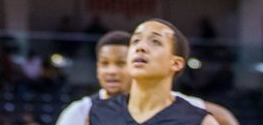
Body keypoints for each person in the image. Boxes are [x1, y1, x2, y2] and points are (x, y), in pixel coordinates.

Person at [57, 31, 238, 125]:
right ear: (97, 69)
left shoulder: (174, 104)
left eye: (121, 64)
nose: (111, 71)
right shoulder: (79, 112)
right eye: (104, 64)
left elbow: (224, 117)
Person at [88, 20, 219, 125]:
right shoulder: (99, 112)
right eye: (136, 41)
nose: (140, 47)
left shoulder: (199, 120)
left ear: (176, 63)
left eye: (155, 41)